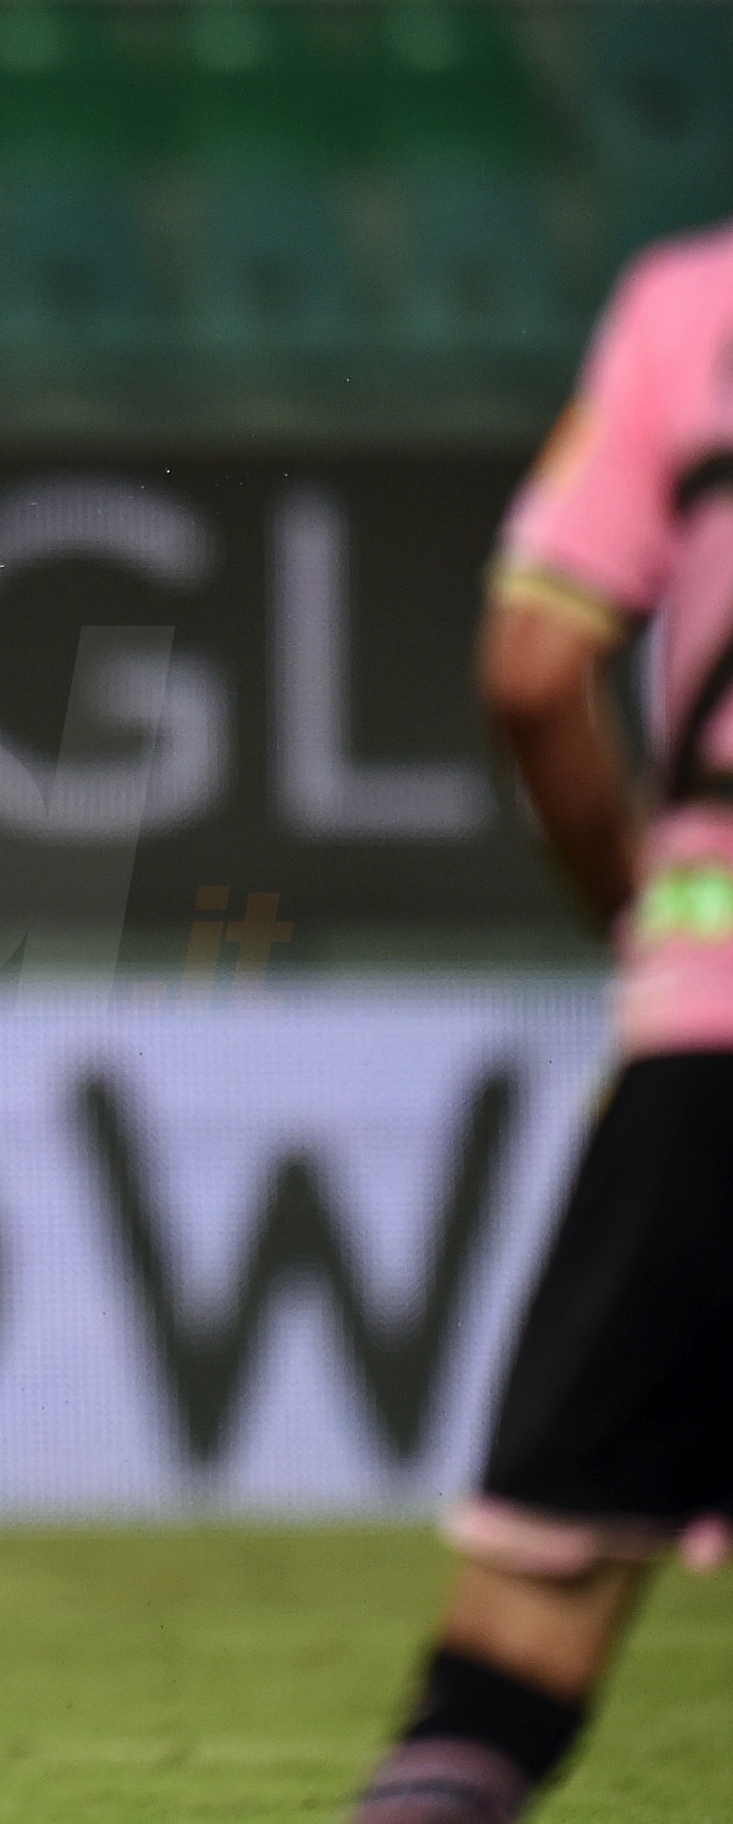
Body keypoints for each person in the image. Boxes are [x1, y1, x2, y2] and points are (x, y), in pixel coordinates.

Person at [342, 221, 733, 1824]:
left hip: (711, 1028)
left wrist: (643, 912)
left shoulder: (692, 304)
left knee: (530, 1624)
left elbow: (532, 668)